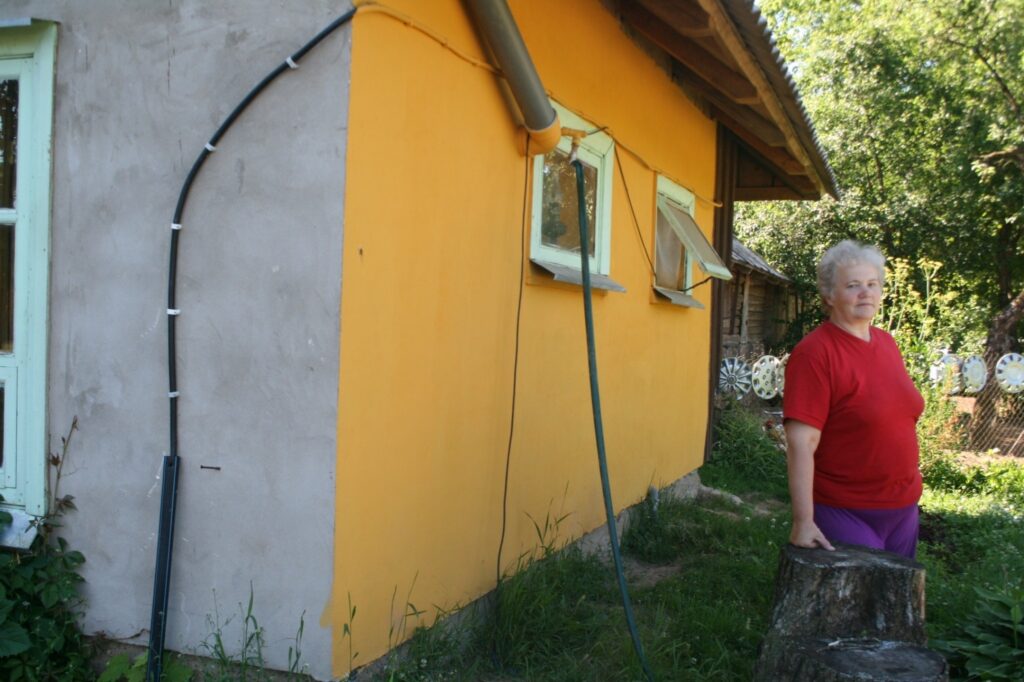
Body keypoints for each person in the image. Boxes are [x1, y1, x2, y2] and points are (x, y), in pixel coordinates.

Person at [783, 240, 924, 559]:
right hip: (846, 510)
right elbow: (800, 443)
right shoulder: (815, 354)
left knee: (896, 605)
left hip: (902, 509)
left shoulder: (887, 344)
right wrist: (803, 521)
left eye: (872, 284)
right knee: (857, 604)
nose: (866, 293)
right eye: (853, 285)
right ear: (829, 295)